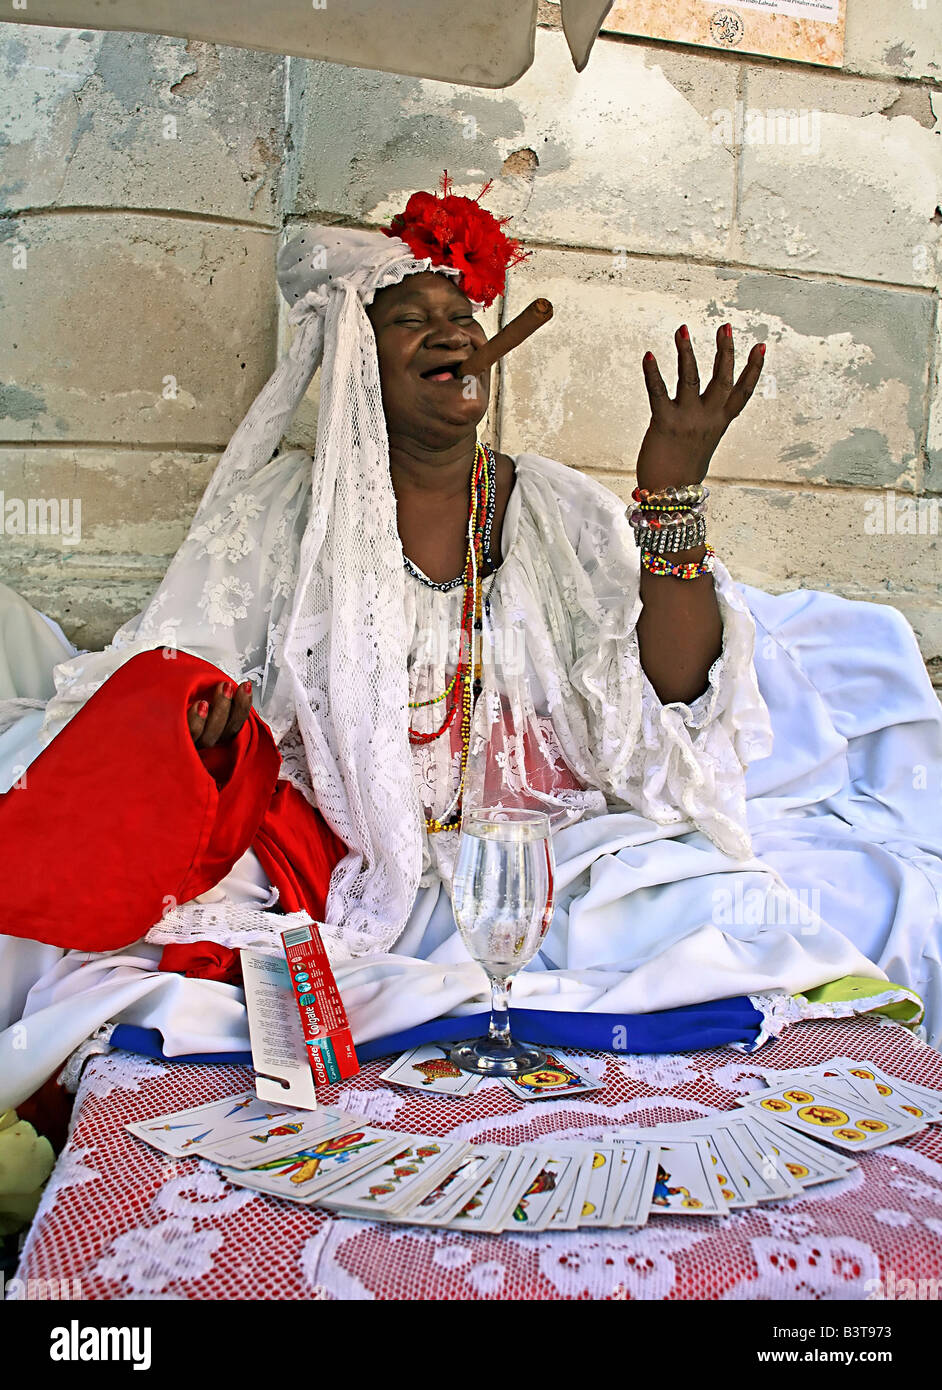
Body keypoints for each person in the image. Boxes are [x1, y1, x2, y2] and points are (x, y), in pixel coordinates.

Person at [1, 177, 940, 1112]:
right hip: (336, 849)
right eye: (411, 318)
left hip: (546, 842)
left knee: (703, 905)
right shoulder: (285, 509)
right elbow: (172, 671)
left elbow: (667, 699)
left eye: (461, 314)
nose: (451, 332)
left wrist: (672, 494)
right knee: (124, 939)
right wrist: (202, 735)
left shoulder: (556, 506)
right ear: (356, 359)